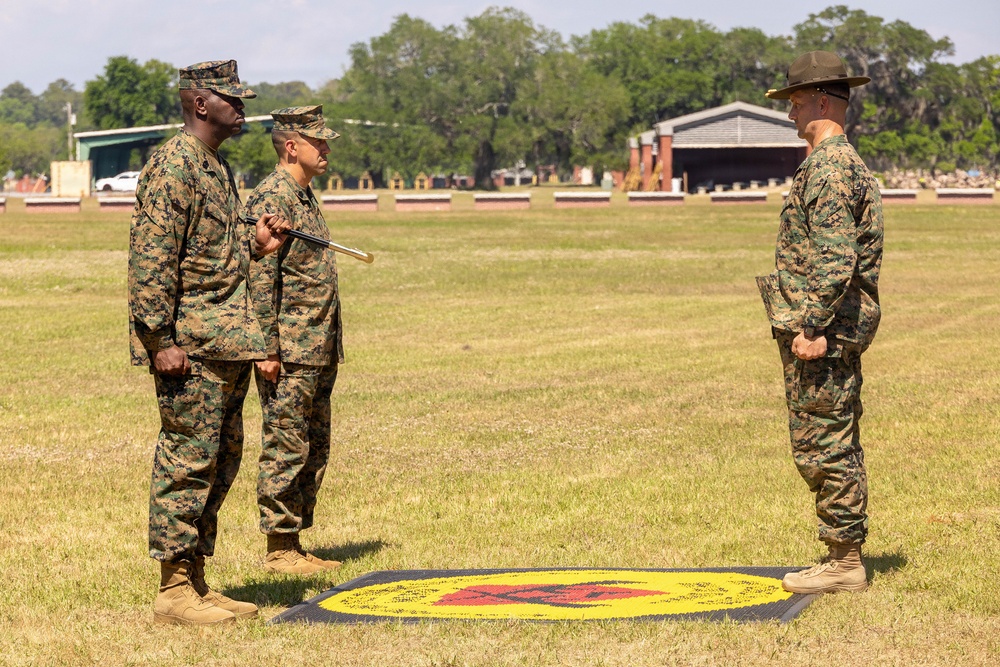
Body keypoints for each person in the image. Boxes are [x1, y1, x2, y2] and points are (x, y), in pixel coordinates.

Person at [129, 59, 289, 625]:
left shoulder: (213, 165)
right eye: (232, 99)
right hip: (189, 347)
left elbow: (212, 257)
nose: (242, 108)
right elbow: (152, 261)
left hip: (225, 342)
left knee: (221, 460)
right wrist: (159, 339)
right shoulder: (175, 165)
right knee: (187, 460)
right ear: (201, 103)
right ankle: (172, 591)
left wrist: (258, 242)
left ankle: (196, 577)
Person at [757, 51, 884, 594]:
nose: (789, 113)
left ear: (821, 101)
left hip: (824, 331)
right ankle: (842, 553)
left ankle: (844, 562)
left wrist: (812, 327)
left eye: (794, 101)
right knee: (828, 437)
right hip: (829, 325)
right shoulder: (833, 164)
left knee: (825, 441)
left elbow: (836, 259)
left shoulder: (831, 168)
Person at [247, 106, 344, 574]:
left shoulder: (303, 196)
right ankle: (279, 547)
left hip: (317, 346)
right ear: (292, 147)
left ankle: (294, 541)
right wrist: (265, 349)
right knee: (287, 443)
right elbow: (260, 278)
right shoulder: (273, 198)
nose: (326, 150)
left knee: (314, 444)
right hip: (289, 350)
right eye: (318, 142)